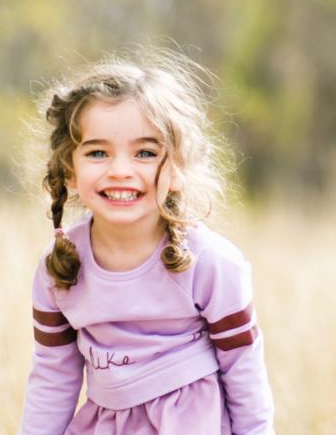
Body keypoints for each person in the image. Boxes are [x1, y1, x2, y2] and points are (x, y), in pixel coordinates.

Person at [18, 51, 275, 435]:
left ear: (179, 169)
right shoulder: (60, 267)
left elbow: (244, 369)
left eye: (145, 153)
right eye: (98, 152)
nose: (121, 170)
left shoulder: (210, 263)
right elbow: (53, 378)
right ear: (69, 170)